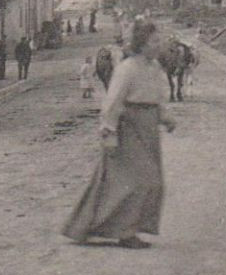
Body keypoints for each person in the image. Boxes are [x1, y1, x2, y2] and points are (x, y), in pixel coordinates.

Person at [63, 19, 176, 249]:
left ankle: (108, 228)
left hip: (148, 130)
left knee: (144, 182)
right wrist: (109, 134)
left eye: (159, 41)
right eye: (154, 41)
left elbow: (155, 97)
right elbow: (112, 103)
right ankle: (125, 232)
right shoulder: (127, 68)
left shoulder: (154, 68)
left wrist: (165, 117)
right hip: (129, 129)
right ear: (142, 43)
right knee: (142, 180)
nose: (159, 45)